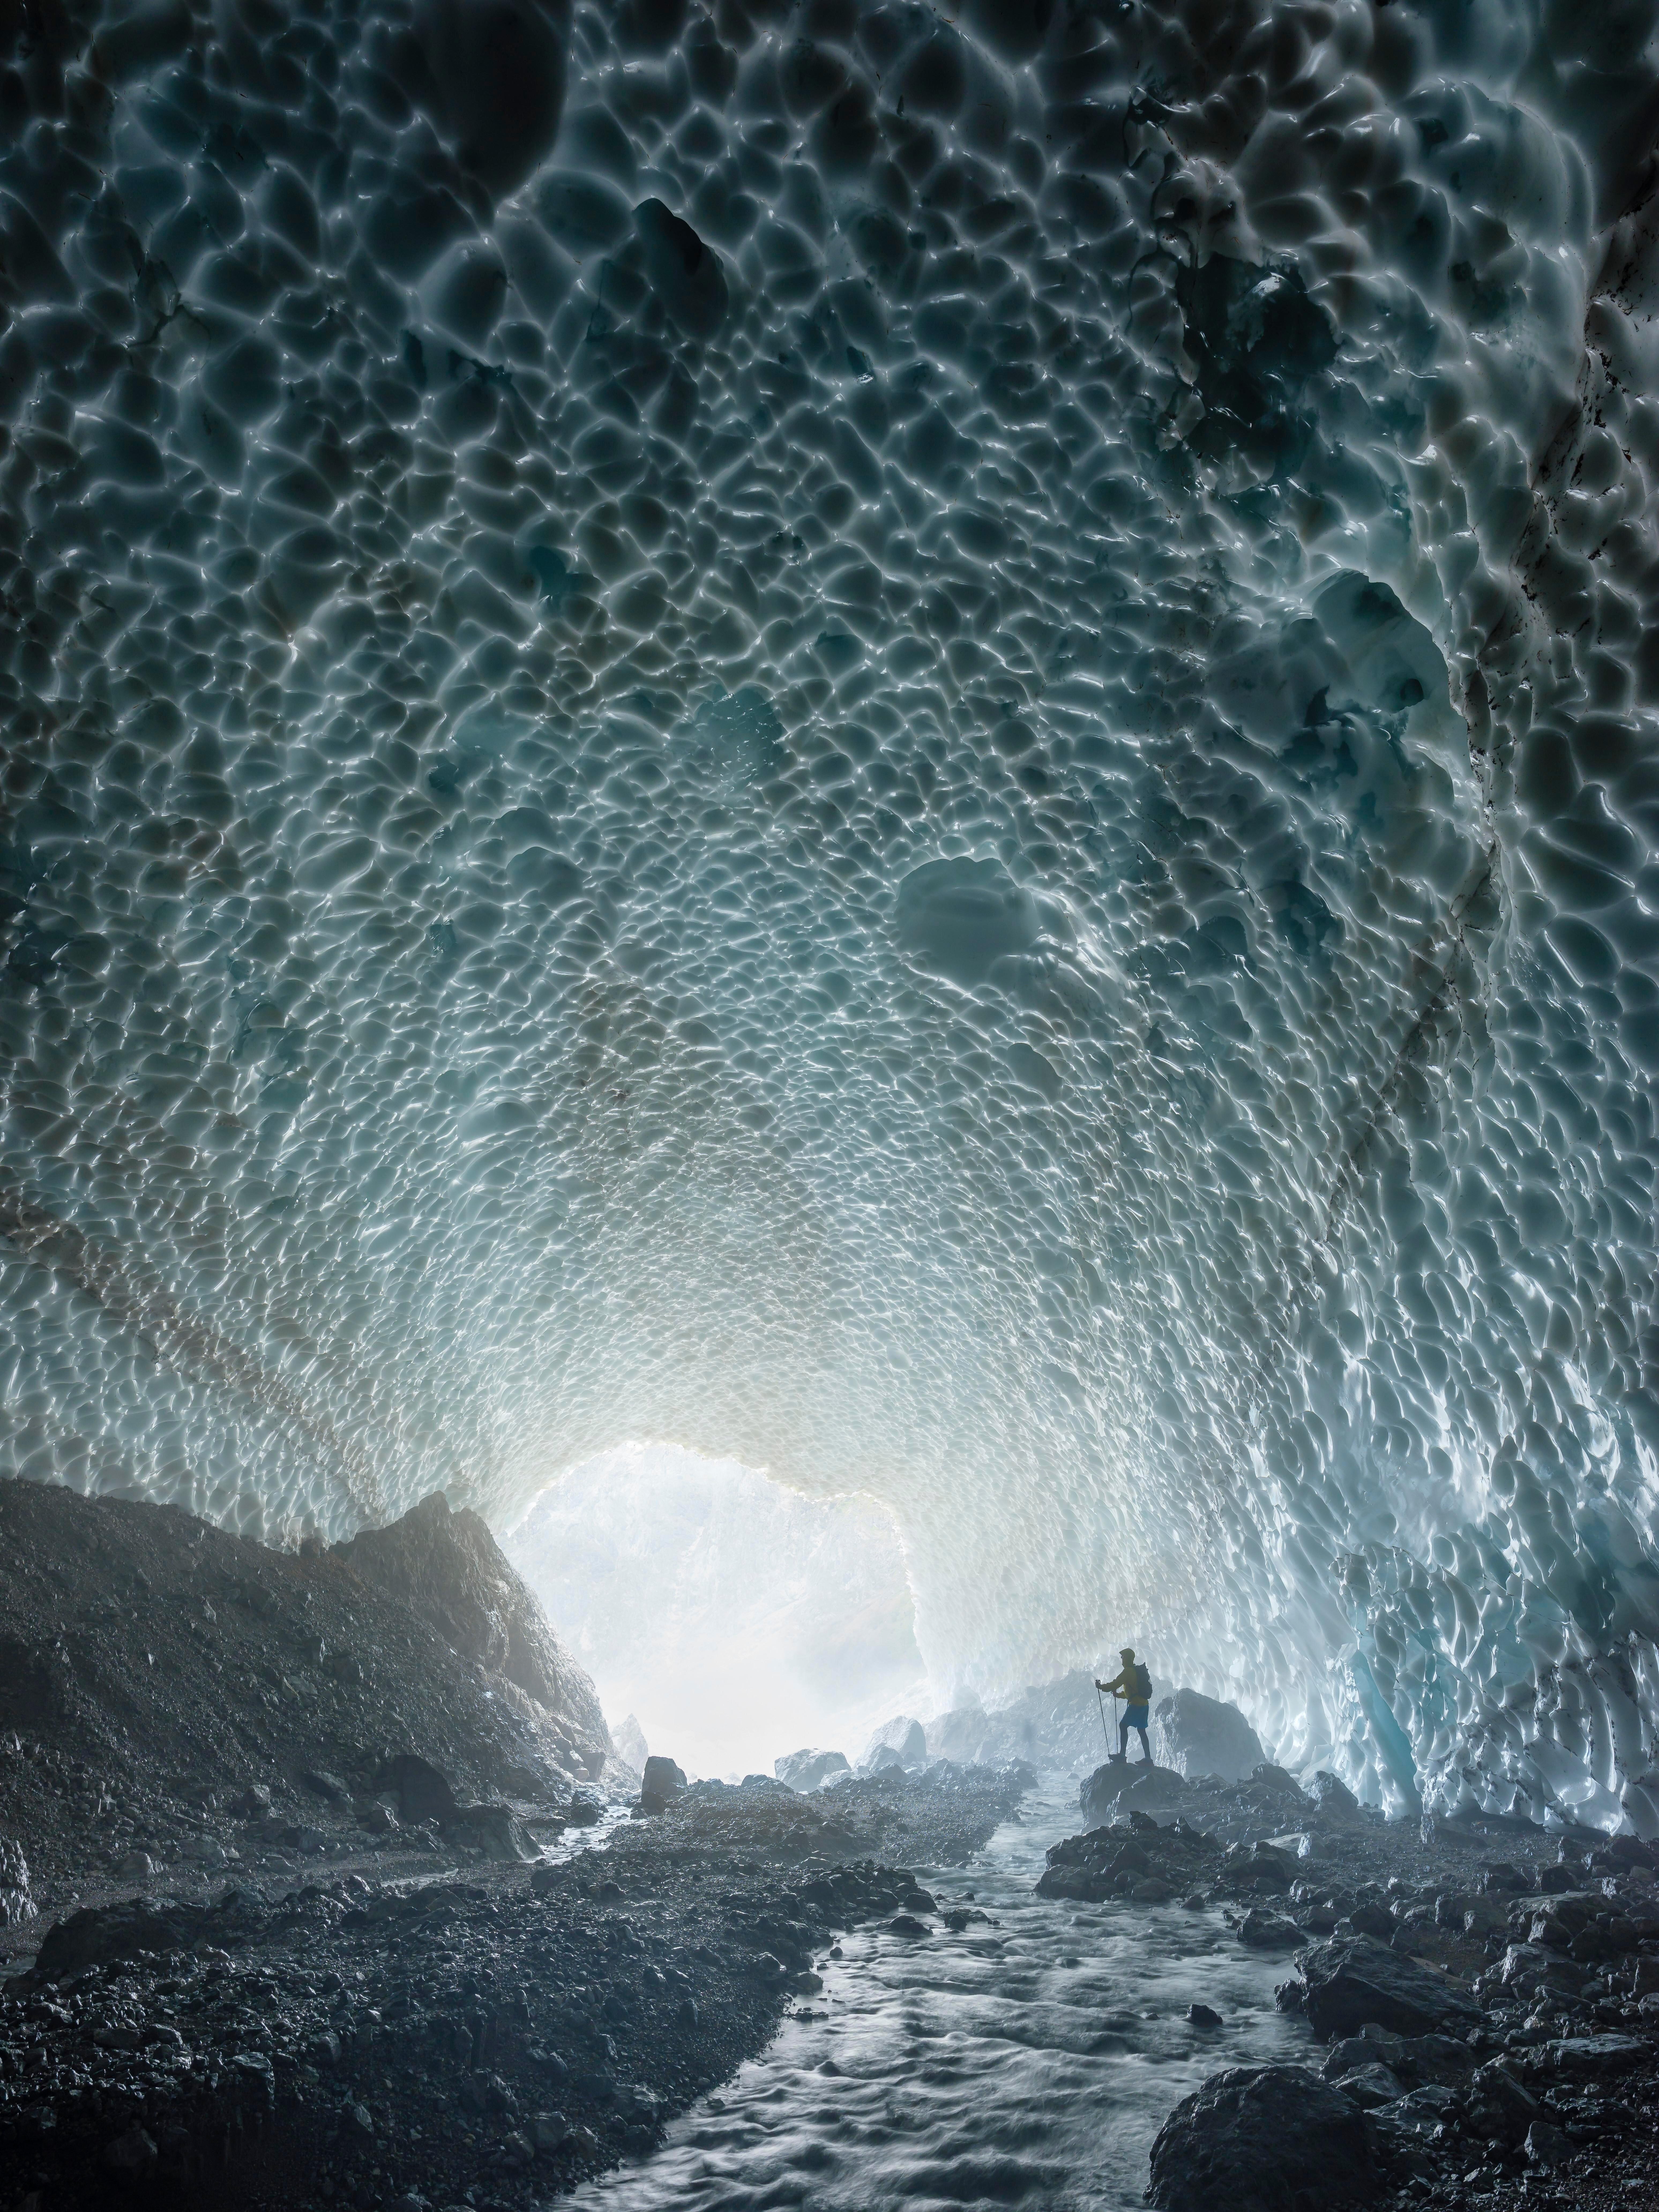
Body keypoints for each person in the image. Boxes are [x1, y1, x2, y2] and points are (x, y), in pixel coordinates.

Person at [1096, 1648, 1153, 1764]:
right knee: (1142, 1731)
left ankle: (1122, 1756)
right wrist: (1119, 1695)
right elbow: (1132, 1693)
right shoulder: (1135, 1671)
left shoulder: (1128, 1672)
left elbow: (1115, 1684)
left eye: (1123, 1657)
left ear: (1127, 1658)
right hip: (1144, 1704)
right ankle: (1148, 1759)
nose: (1121, 1660)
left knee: (1123, 1726)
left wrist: (1101, 1687)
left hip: (1136, 1705)